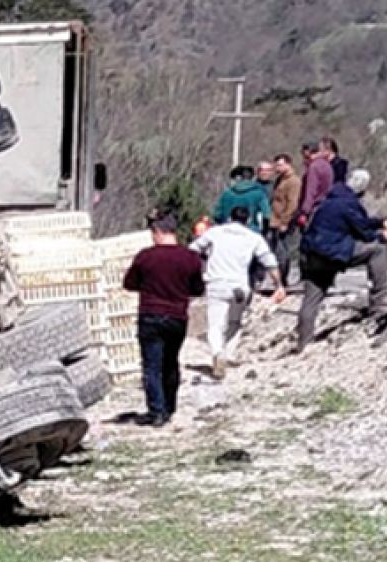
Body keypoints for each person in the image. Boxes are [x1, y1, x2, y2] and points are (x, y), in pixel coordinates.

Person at [296, 160, 387, 352]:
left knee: (311, 298)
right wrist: (383, 235)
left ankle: (304, 342)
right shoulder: (349, 204)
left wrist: (380, 222)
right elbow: (363, 231)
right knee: (377, 249)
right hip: (333, 253)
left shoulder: (328, 202)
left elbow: (360, 221)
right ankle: (379, 300)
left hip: (312, 255)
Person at [122, 214, 205, 426]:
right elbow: (198, 288)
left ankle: (156, 411)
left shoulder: (145, 257)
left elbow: (129, 283)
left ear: (158, 232)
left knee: (152, 366)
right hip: (177, 316)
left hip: (150, 314)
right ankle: (170, 407)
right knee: (171, 363)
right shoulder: (191, 258)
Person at [190, 205, 286, 379]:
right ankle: (228, 353)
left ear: (229, 218)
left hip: (216, 284)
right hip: (240, 286)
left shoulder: (214, 233)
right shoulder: (253, 237)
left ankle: (218, 353)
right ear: (248, 220)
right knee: (235, 322)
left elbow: (193, 249)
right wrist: (279, 284)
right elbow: (269, 261)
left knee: (215, 325)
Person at [268, 152, 302, 278]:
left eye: (280, 165)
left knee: (282, 252)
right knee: (275, 250)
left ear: (288, 164)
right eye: (276, 165)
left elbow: (292, 203)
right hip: (274, 218)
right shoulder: (280, 179)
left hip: (283, 220)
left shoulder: (293, 181)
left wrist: (285, 221)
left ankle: (283, 277)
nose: (277, 168)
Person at [214, 165, 272, 234]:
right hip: (250, 231)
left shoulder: (227, 193)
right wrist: (264, 232)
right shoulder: (259, 193)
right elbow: (266, 215)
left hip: (228, 230)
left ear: (239, 177)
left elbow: (217, 214)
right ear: (253, 177)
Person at [296, 137, 337, 228]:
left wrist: (304, 212)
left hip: (313, 210)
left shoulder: (314, 167)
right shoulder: (327, 165)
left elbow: (311, 191)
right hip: (325, 207)